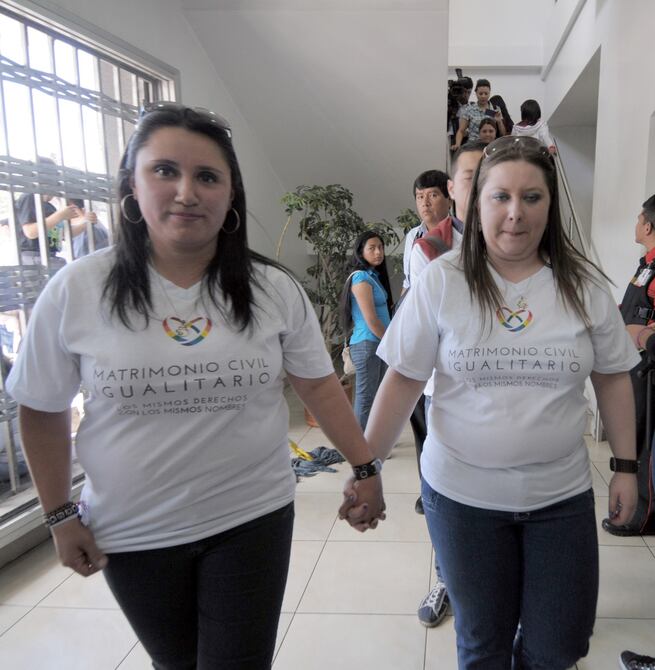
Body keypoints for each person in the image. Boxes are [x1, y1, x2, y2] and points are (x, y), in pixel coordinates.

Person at [6, 103, 385, 669]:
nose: (186, 192)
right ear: (131, 185)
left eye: (207, 176)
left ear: (231, 194)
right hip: (133, 531)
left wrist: (365, 467)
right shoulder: (77, 290)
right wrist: (59, 516)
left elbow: (320, 386)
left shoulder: (272, 289)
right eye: (165, 170)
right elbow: (41, 409)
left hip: (252, 519)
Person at [341, 136, 640, 668]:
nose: (515, 213)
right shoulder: (443, 281)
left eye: (532, 197)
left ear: (550, 204)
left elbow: (613, 378)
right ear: (476, 203)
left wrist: (625, 467)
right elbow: (403, 380)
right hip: (463, 500)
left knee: (560, 644)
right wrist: (368, 468)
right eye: (500, 196)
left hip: (560, 498)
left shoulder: (582, 284)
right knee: (483, 644)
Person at [407, 141, 485, 628]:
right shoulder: (428, 247)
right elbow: (426, 325)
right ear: (454, 187)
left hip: (507, 397)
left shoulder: (524, 240)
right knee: (444, 489)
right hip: (448, 392)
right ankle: (447, 580)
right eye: (471, 176)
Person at [603, 194, 655, 535]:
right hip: (634, 364)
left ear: (648, 226)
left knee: (644, 443)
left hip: (649, 367)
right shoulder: (646, 264)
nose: (635, 223)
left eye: (639, 218)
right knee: (632, 436)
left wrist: (643, 334)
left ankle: (643, 517)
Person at [339, 231, 393, 430]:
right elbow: (371, 320)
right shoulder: (361, 277)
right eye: (372, 248)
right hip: (367, 344)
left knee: (376, 396)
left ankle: (373, 439)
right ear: (360, 252)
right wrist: (391, 343)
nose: (378, 252)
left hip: (376, 344)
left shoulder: (373, 276)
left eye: (381, 247)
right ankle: (360, 443)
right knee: (366, 398)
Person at [16, 157, 76, 266]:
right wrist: (60, 215)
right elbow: (30, 232)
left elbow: (61, 234)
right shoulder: (29, 197)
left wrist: (86, 222)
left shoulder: (49, 207)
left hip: (49, 256)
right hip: (34, 257)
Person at [401, 170, 451, 293]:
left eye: (433, 195)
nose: (425, 203)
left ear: (450, 200)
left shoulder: (462, 232)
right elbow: (408, 282)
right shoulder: (413, 235)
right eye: (420, 197)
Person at [453, 78, 506, 151]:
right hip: (473, 146)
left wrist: (499, 121)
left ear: (489, 93)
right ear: (476, 93)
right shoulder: (469, 109)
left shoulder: (495, 109)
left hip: (490, 147)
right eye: (480, 94)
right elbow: (461, 131)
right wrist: (457, 144)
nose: (483, 96)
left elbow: (503, 134)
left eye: (486, 93)